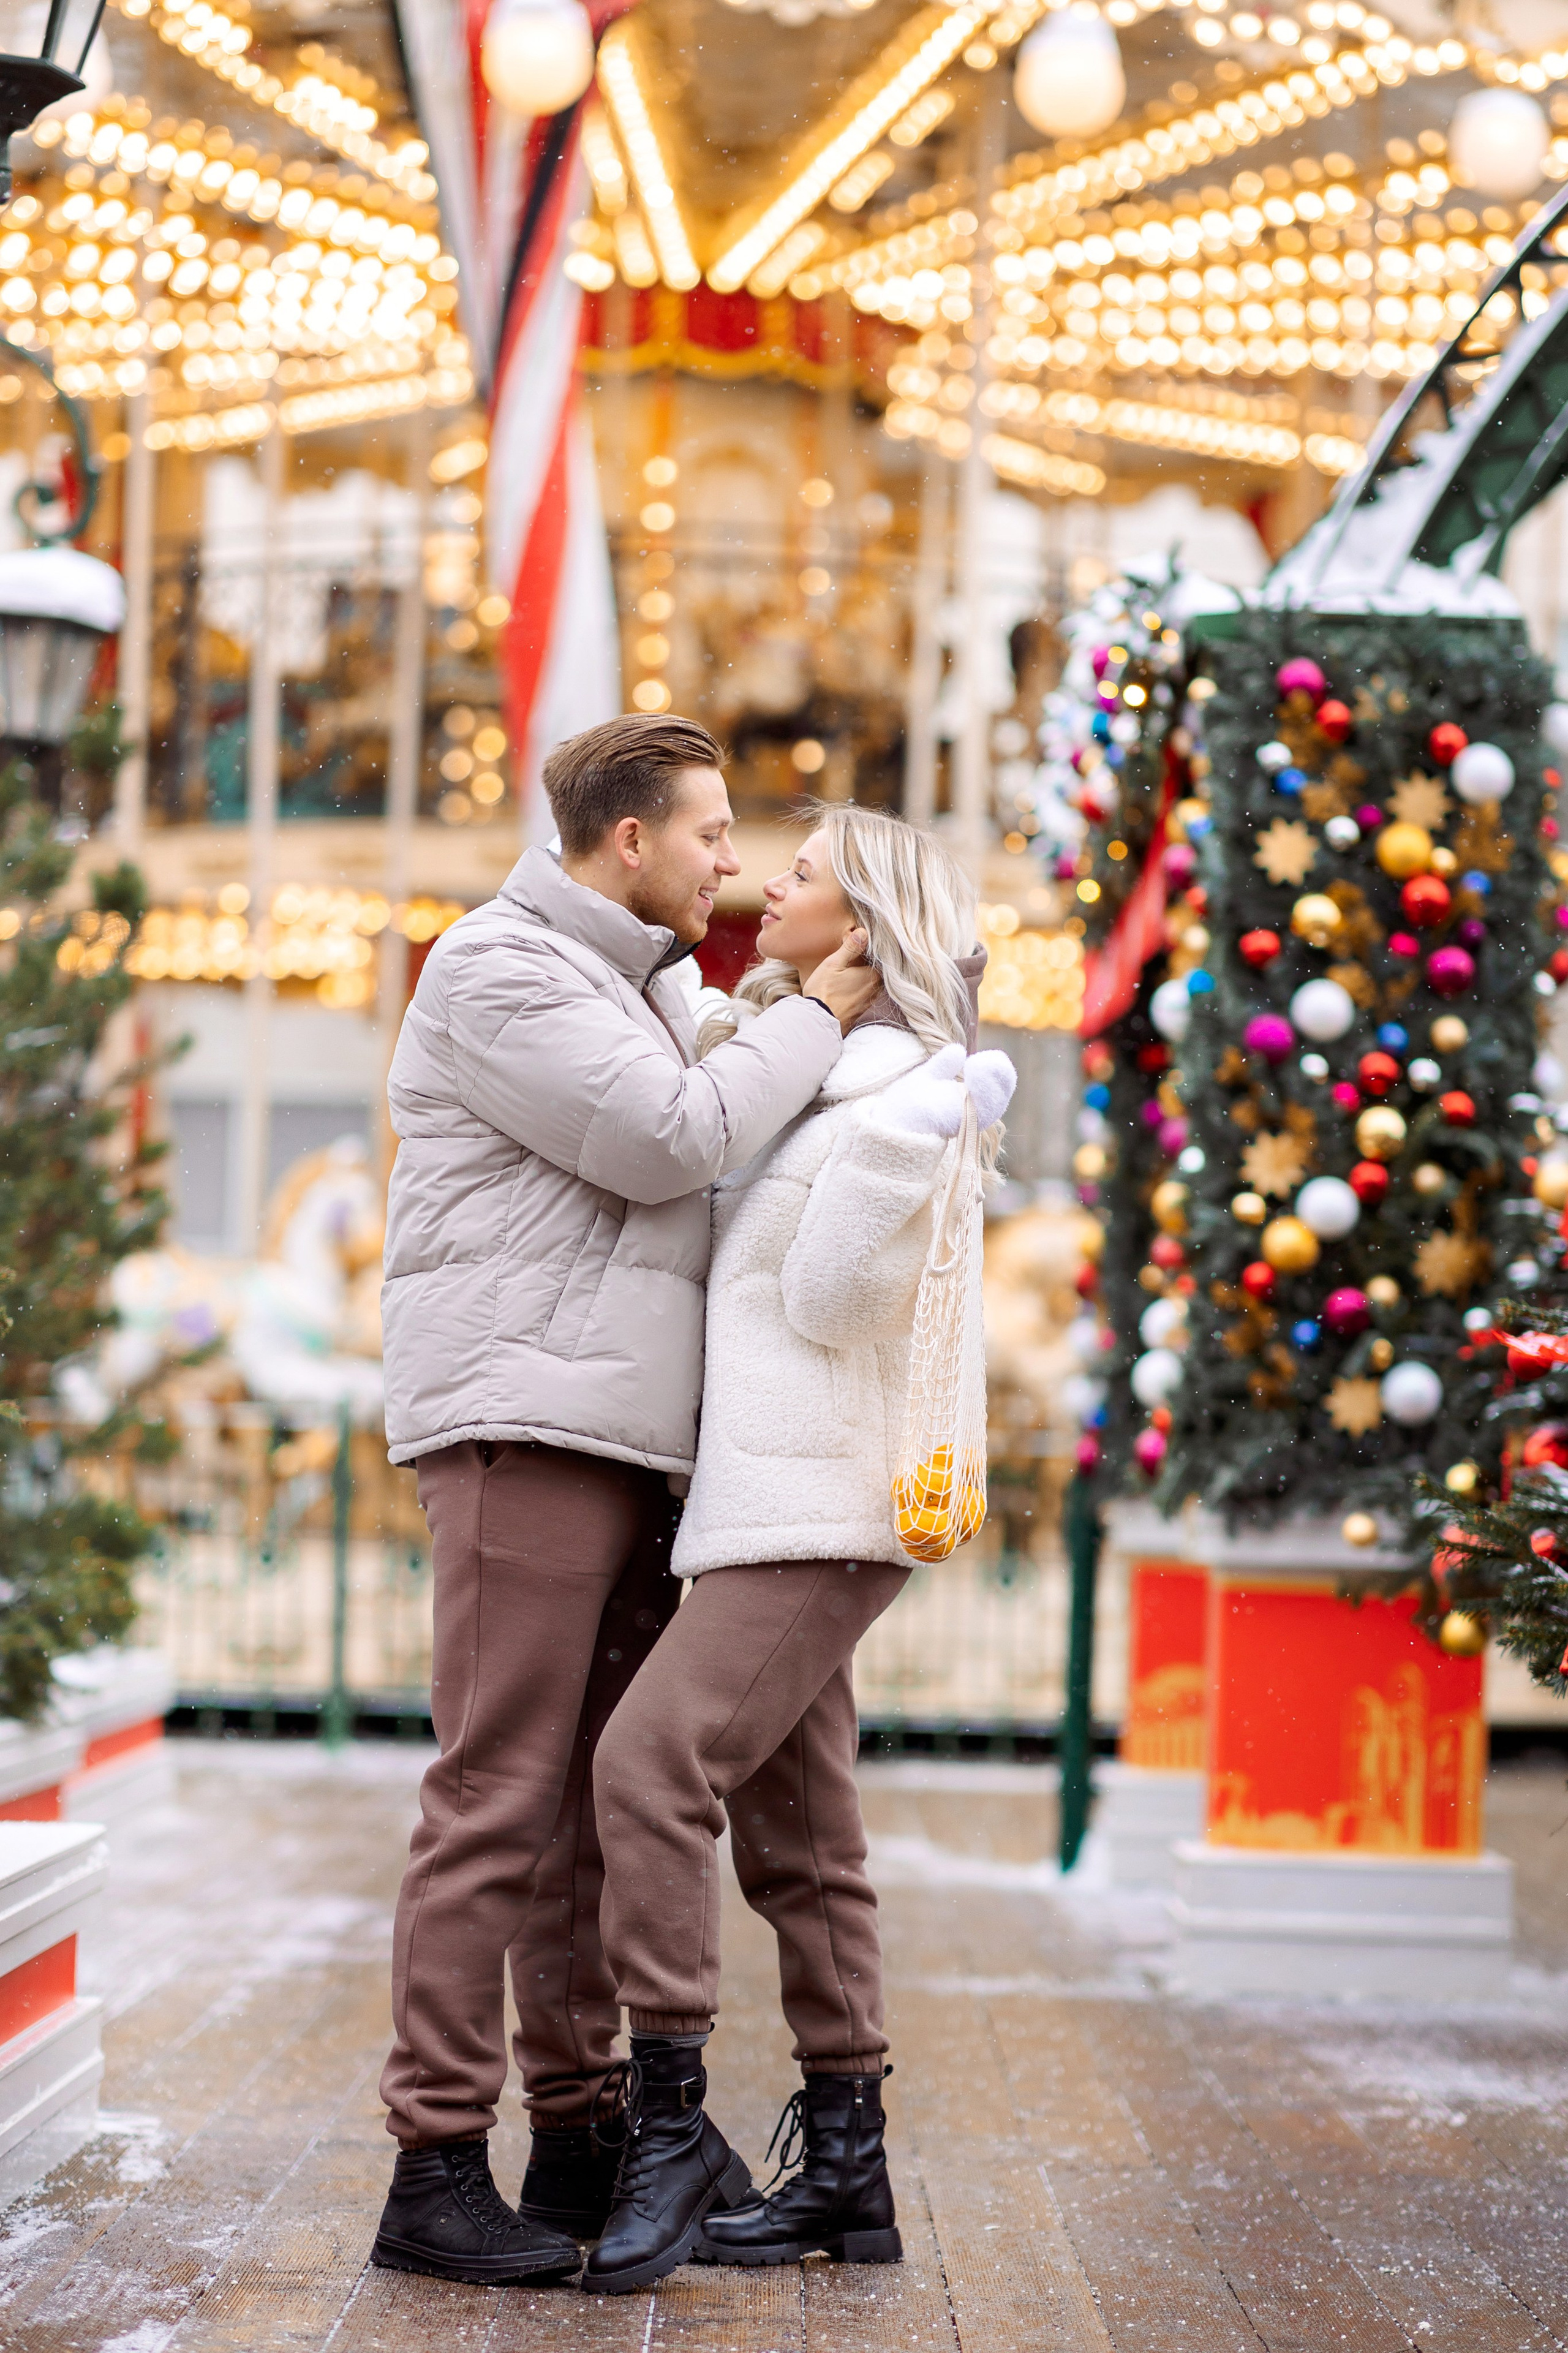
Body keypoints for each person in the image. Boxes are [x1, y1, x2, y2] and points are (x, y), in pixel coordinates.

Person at [368, 716, 878, 2289]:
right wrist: (814, 1007)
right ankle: (434, 2163)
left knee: (585, 1803)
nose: (731, 863)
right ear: (628, 838)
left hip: (628, 1436)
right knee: (496, 1793)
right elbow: (674, 1146)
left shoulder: (655, 984)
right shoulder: (500, 967)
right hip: (526, 1419)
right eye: (712, 832)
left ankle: (580, 2132)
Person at [581, 804, 1014, 2294]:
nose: (773, 882)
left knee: (646, 1769)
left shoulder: (902, 1091)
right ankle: (847, 2168)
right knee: (803, 1841)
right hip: (773, 1500)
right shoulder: (821, 1073)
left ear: (865, 919)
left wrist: (897, 1158)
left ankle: (669, 2125)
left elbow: (832, 1305)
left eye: (806, 873)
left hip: (818, 1506)